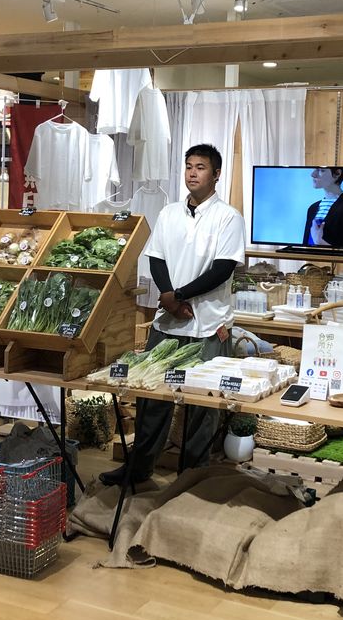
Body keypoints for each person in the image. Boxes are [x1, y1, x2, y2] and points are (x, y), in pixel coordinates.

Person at [99, 144, 245, 486]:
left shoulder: (228, 217)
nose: (192, 173)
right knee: (152, 399)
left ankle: (190, 478)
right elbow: (157, 259)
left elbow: (222, 269)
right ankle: (138, 467)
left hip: (208, 323)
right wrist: (169, 300)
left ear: (216, 174)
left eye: (201, 167)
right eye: (189, 166)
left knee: (201, 406)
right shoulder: (169, 213)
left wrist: (177, 296)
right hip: (168, 321)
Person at [302, 167, 343, 249]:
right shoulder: (312, 208)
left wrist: (319, 242)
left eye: (321, 170)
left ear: (337, 174)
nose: (313, 174)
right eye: (315, 169)